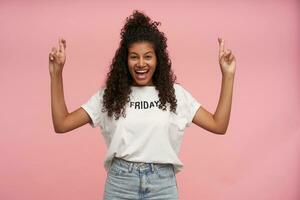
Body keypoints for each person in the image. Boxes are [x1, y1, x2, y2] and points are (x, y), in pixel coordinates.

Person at [49, 10, 236, 200]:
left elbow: (218, 125)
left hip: (162, 186)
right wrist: (56, 74)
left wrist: (228, 75)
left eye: (147, 56)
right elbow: (62, 123)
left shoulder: (175, 95)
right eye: (134, 57)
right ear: (125, 60)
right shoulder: (110, 97)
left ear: (157, 59)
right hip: (120, 185)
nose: (141, 63)